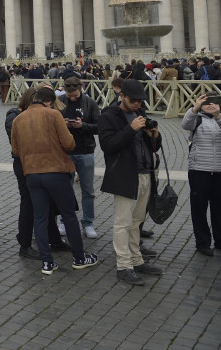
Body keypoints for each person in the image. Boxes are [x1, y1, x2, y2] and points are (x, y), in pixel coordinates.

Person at [12, 86, 99, 274]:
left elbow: (16, 150)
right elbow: (69, 143)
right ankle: (79, 257)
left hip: (32, 174)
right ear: (50, 101)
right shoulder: (53, 115)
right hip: (54, 171)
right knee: (68, 215)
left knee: (40, 218)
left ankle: (47, 263)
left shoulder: (19, 119)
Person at [98, 79, 164, 286]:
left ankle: (136, 260)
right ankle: (123, 266)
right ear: (122, 96)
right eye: (134, 100)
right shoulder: (108, 116)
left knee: (137, 222)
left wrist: (154, 136)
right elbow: (108, 146)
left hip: (145, 173)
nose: (137, 104)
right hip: (125, 175)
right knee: (123, 223)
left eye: (140, 101)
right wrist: (131, 129)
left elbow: (152, 146)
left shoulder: (140, 113)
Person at [60, 77, 100, 239]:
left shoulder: (90, 103)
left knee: (88, 190)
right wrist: (62, 124)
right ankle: (64, 220)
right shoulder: (59, 101)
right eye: (70, 96)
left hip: (85, 151)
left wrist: (82, 125)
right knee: (65, 190)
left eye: (75, 95)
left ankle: (88, 222)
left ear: (81, 89)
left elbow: (99, 126)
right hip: (65, 152)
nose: (72, 98)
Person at [182, 94, 221, 256]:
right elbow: (185, 124)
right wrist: (195, 108)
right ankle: (203, 242)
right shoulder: (196, 118)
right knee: (199, 208)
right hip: (199, 170)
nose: (210, 106)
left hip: (219, 170)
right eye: (207, 103)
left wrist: (218, 116)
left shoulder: (219, 119)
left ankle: (219, 240)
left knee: (219, 208)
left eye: (214, 103)